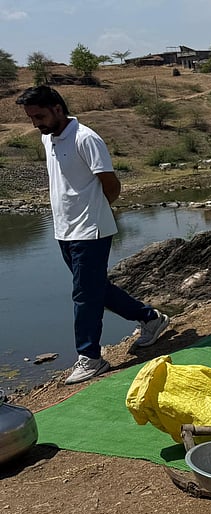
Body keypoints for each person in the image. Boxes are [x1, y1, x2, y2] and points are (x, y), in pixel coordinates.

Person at [16, 86, 170, 384]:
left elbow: (111, 185)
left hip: (90, 229)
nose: (36, 123)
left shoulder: (86, 138)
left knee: (84, 294)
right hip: (65, 229)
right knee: (95, 288)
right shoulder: (49, 137)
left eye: (40, 116)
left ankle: (90, 358)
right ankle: (151, 318)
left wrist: (96, 212)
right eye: (31, 118)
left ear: (58, 109)